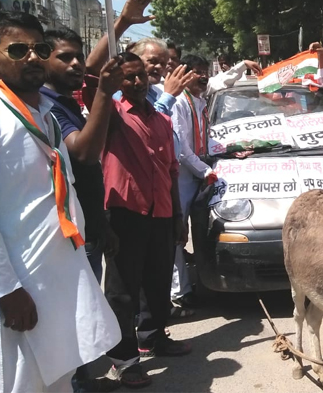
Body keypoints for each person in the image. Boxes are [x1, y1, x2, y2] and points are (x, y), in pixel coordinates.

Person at [0, 10, 120, 392]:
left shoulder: (44, 115)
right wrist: (5, 289)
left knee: (59, 379)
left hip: (58, 275)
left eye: (39, 48)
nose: (32, 57)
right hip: (17, 288)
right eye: (18, 49)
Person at [82, 51, 191, 387]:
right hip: (125, 216)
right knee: (123, 293)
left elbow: (171, 171)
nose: (137, 82)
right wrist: (123, 23)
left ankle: (152, 337)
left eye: (140, 75)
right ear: (118, 82)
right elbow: (89, 81)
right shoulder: (113, 115)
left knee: (157, 284)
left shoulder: (161, 120)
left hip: (160, 214)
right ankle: (124, 360)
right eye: (128, 77)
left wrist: (176, 217)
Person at [41, 27, 124, 392]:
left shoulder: (65, 99)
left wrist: (119, 25)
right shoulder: (45, 107)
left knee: (79, 312)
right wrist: (105, 93)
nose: (76, 64)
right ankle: (75, 382)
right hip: (65, 231)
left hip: (86, 224)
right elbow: (84, 154)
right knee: (66, 314)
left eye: (78, 56)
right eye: (64, 57)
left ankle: (81, 377)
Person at [170, 54, 217, 311]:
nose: (202, 76)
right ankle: (180, 292)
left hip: (198, 172)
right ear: (184, 75)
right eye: (197, 72)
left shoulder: (200, 101)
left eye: (204, 71)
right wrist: (205, 170)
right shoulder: (179, 103)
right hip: (182, 175)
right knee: (177, 234)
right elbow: (181, 149)